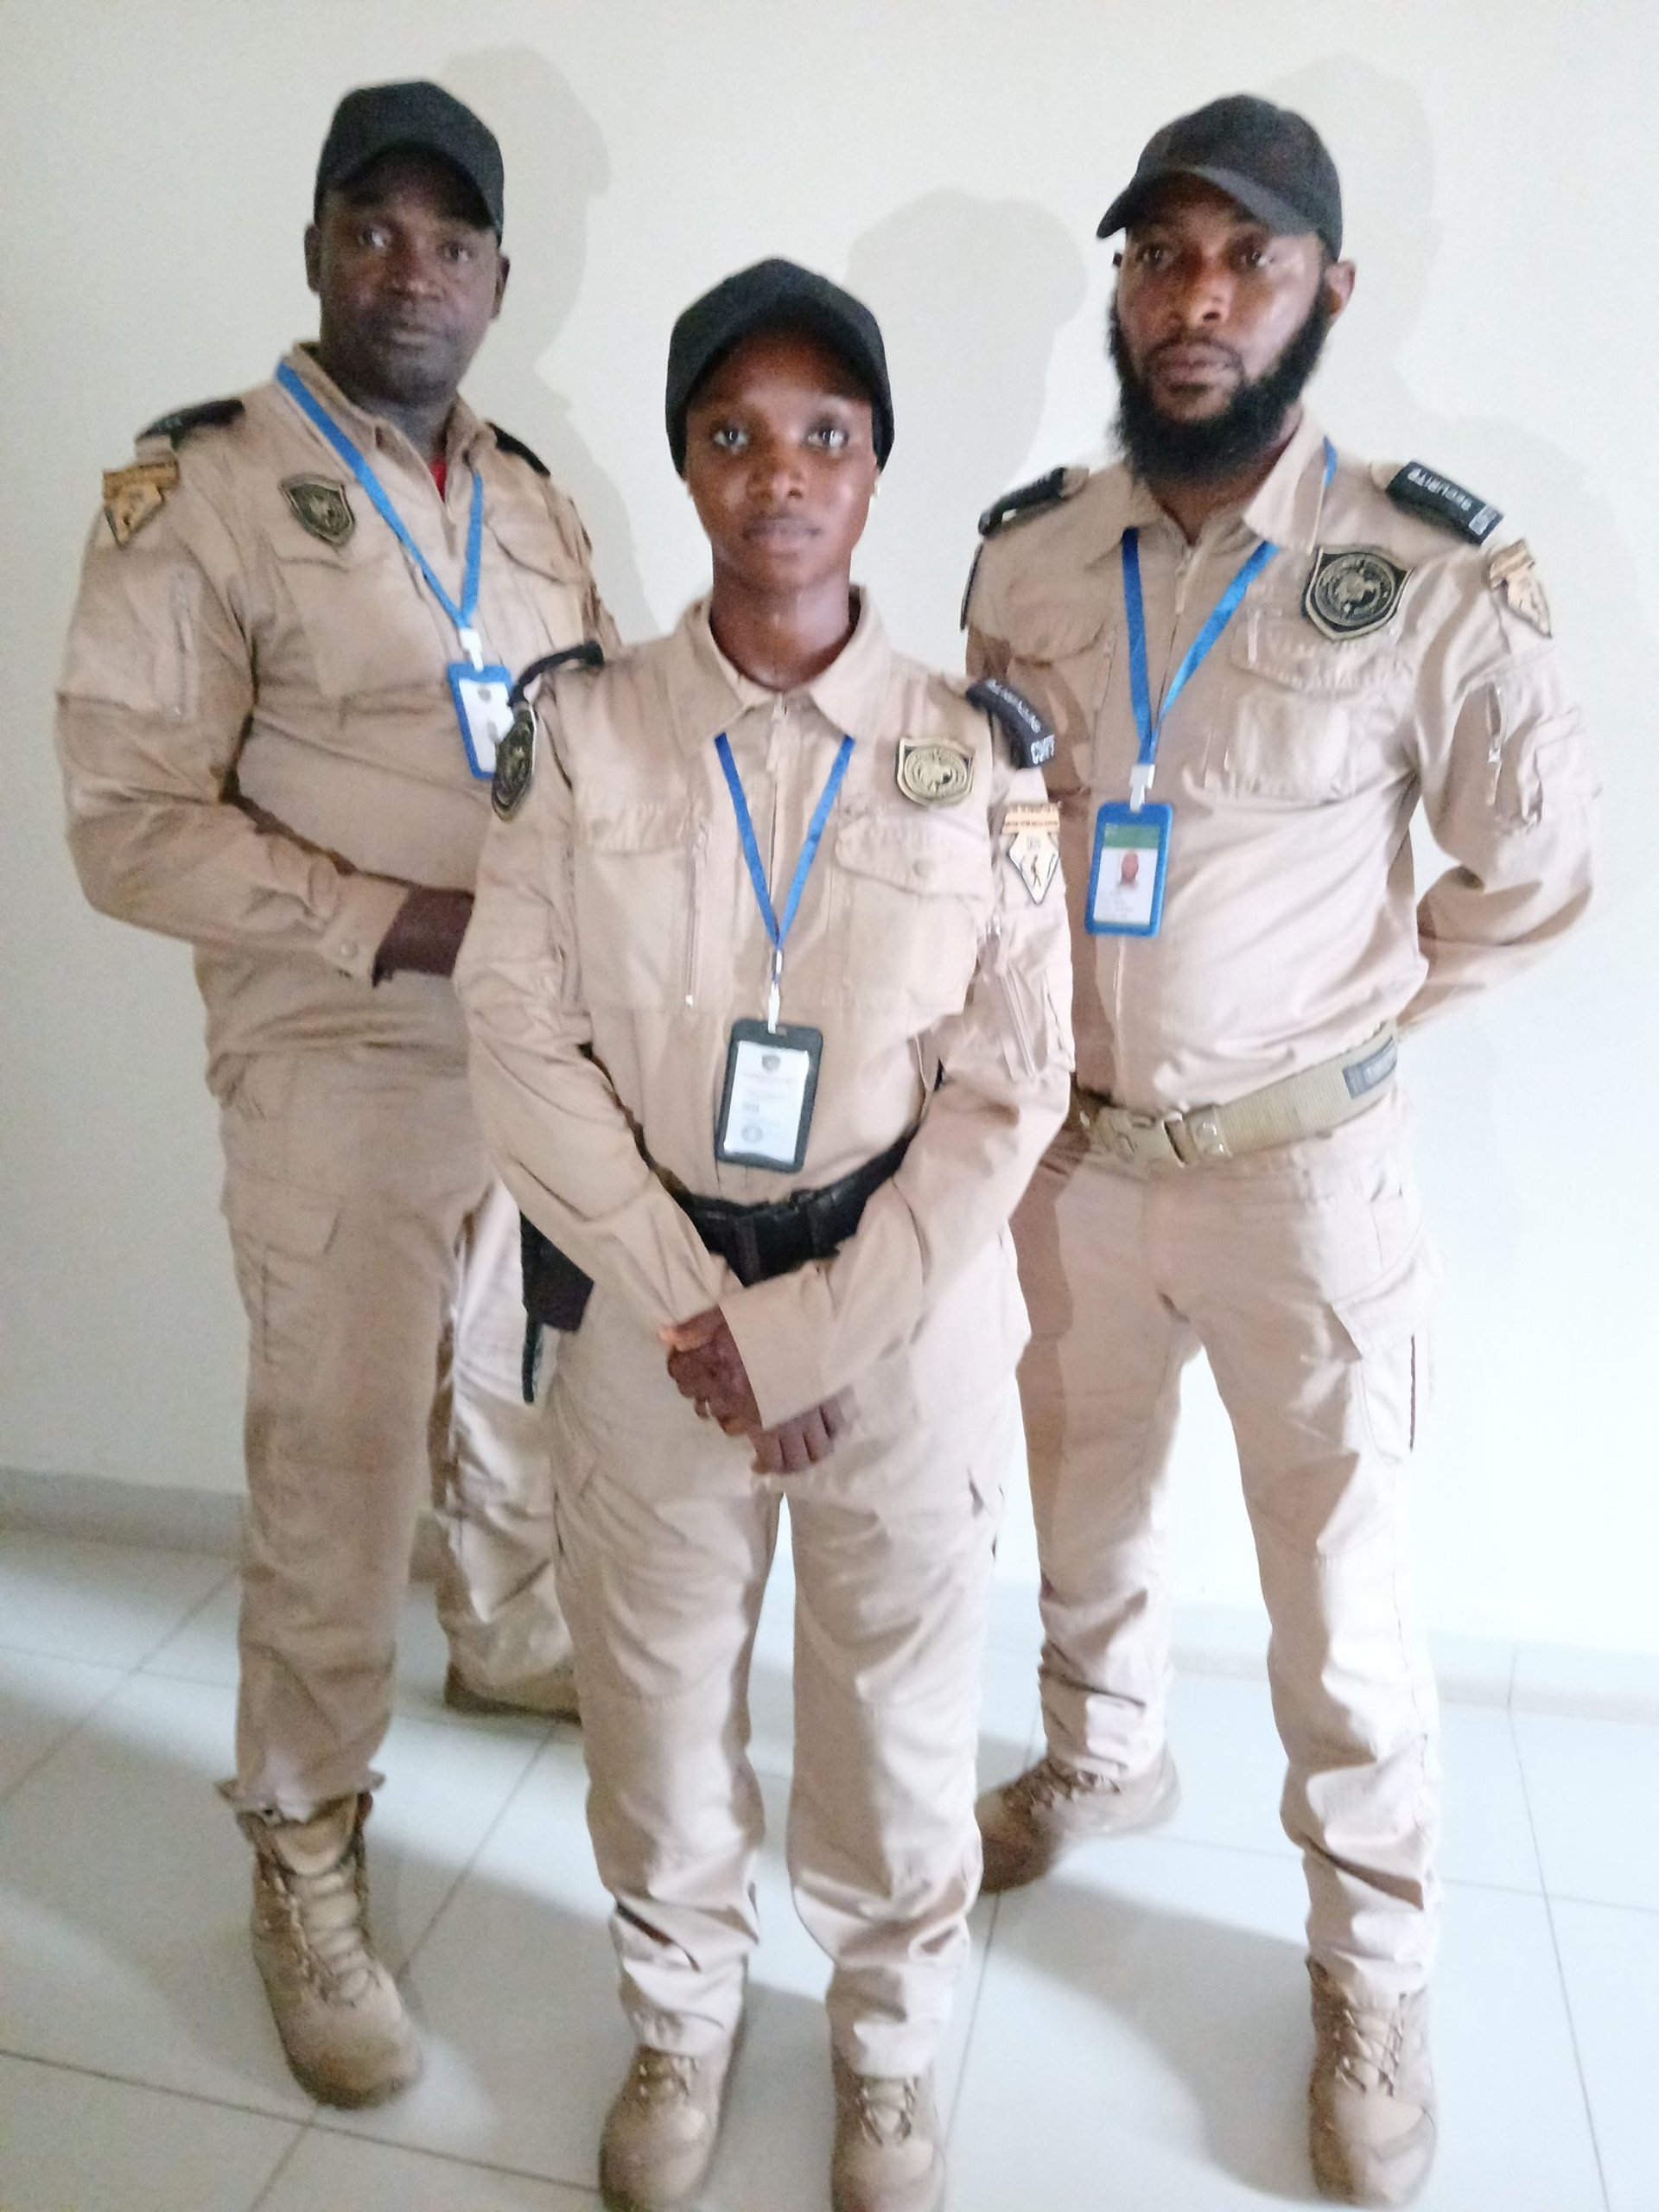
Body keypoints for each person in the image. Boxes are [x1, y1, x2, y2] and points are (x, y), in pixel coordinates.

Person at [963, 95, 1594, 2209]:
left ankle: (1375, 1966)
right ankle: (1098, 1756)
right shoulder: (1033, 551)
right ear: (1124, 286)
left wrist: (1366, 1023)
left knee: (1340, 1602)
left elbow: (1539, 862)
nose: (1197, 295)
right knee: (1080, 1501)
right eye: (1161, 254)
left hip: (1303, 1181)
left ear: (1329, 286)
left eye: (1248, 258)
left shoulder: (1420, 564)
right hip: (1073, 1162)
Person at [458, 258, 1071, 2212]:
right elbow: (516, 1031)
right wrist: (698, 1306)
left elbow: (1013, 1082)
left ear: (878, 470)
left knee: (896, 1719)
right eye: (733, 437)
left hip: (903, 1328)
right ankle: (681, 2017)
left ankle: (888, 2051)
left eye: (823, 435)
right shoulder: (586, 735)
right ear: (689, 471)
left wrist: (814, 1331)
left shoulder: (972, 750)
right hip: (655, 1320)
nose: (778, 476)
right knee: (653, 1704)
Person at [54, 79, 616, 2107]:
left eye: (451, 242)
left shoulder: (532, 497)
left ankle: (497, 1625)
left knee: (502, 1367)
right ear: (313, 247)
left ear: (497, 281)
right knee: (341, 1440)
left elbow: (595, 738)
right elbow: (124, 827)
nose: (413, 268)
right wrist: (393, 919)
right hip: (339, 1039)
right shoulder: (201, 493)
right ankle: (304, 1841)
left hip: (521, 1041)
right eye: (372, 228)